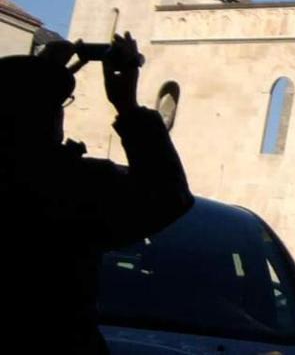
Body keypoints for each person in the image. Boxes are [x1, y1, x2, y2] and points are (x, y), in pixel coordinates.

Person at [0, 33, 194, 353]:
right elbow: (167, 195)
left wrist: (39, 71)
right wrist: (127, 106)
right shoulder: (70, 186)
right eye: (56, 105)